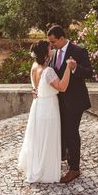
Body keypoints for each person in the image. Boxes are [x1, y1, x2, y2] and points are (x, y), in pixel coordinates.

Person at [18, 40, 72, 183]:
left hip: (37, 106)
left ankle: (37, 166)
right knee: (48, 138)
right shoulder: (48, 71)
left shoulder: (34, 66)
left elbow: (36, 87)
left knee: (38, 138)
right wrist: (68, 68)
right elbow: (62, 87)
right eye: (49, 47)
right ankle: (47, 172)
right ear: (45, 52)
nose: (52, 48)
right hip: (48, 108)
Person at [47, 25, 93, 183]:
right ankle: (65, 155)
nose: (51, 45)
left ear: (61, 38)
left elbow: (89, 72)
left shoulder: (79, 51)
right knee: (62, 131)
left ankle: (74, 169)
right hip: (58, 101)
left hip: (75, 101)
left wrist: (75, 68)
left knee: (72, 133)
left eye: (53, 41)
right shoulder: (54, 53)